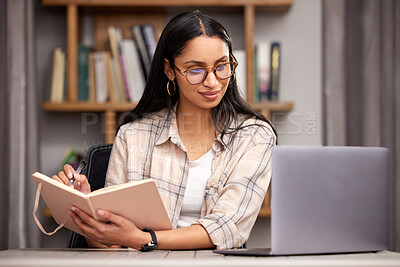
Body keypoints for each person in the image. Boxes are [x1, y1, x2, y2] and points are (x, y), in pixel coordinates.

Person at [53, 10, 277, 250]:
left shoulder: (254, 136)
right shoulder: (133, 135)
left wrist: (142, 239)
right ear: (170, 70)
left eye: (222, 67)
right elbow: (112, 246)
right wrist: (87, 206)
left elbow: (227, 228)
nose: (212, 82)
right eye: (195, 70)